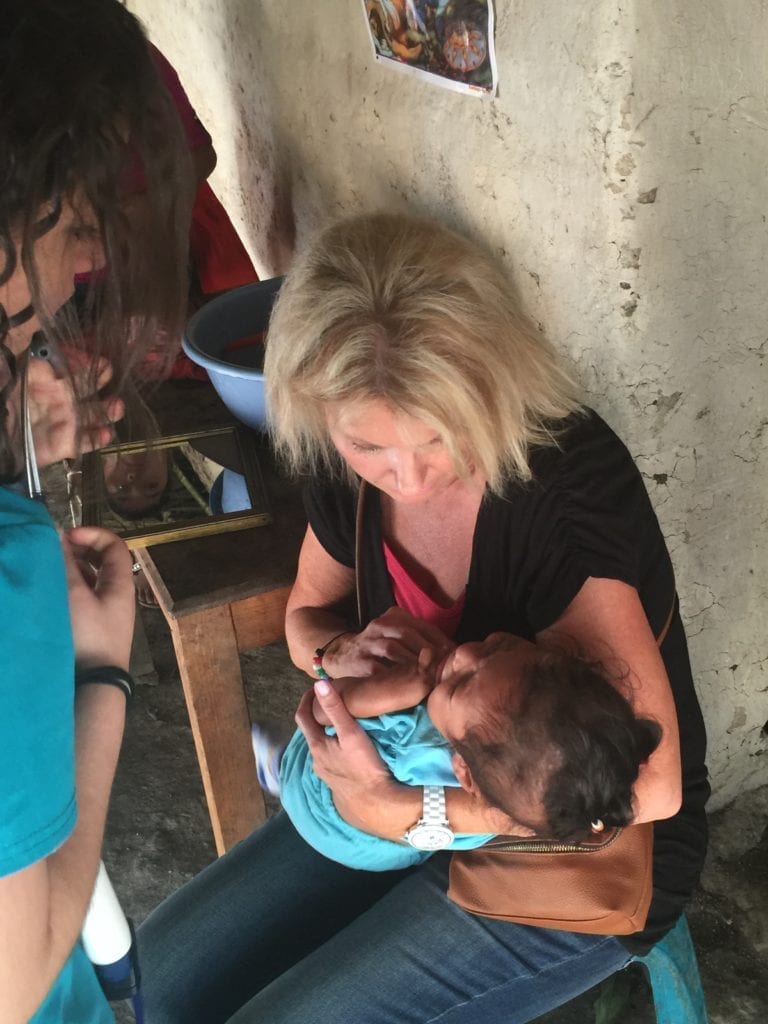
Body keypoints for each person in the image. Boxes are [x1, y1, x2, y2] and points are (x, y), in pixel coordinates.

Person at [138, 211, 709, 1024]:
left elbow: (649, 793)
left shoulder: (568, 493)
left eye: (437, 439)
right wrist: (347, 658)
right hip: (410, 778)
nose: (404, 478)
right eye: (368, 447)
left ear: (487, 384)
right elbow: (308, 618)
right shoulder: (348, 472)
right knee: (163, 978)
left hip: (570, 840)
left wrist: (416, 815)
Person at [0, 2, 191, 1021]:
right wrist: (103, 675)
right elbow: (12, 978)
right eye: (76, 227)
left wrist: (20, 391)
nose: (85, 269)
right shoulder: (9, 569)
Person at [256, 639, 661, 870]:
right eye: (493, 652)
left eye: (459, 683)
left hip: (322, 804)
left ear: (462, 772)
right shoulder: (509, 794)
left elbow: (323, 708)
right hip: (383, 851)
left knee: (305, 754)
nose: (466, 654)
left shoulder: (410, 737)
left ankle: (277, 770)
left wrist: (401, 688)